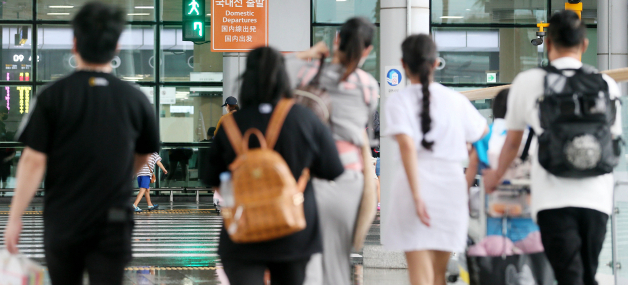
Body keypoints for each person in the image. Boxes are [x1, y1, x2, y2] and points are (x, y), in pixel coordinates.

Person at [4, 2, 160, 285]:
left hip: (64, 219)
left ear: (74, 44)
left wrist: (15, 217)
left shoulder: (52, 96)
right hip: (113, 220)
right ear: (116, 48)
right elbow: (144, 153)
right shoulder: (135, 99)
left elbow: (33, 160)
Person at [483, 10, 622, 285]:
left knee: (569, 276)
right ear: (584, 44)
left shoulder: (529, 82)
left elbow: (512, 142)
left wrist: (495, 176)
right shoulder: (606, 85)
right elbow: (613, 141)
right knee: (586, 275)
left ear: (548, 44)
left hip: (552, 198)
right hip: (597, 197)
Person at [204, 46, 344, 285]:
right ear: (283, 78)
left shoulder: (230, 125)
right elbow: (332, 168)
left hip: (243, 231)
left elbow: (209, 175)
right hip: (294, 233)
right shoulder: (304, 118)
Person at [383, 34, 488, 285]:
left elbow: (407, 147)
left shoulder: (398, 100)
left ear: (403, 64)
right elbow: (484, 137)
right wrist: (466, 176)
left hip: (413, 190)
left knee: (420, 277)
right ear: (435, 63)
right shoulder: (456, 100)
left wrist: (418, 196)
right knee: (439, 276)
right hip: (451, 189)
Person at [286, 17, 379, 285]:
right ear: (367, 51)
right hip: (348, 179)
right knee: (338, 260)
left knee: (309, 261)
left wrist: (309, 54)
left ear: (336, 40)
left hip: (308, 177)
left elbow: (274, 67)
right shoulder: (368, 86)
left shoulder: (308, 74)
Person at [0, 105, 15, 192]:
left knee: (2, 174)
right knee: (2, 174)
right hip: (2, 153)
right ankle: (1, 192)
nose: (6, 114)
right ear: (0, 113)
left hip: (1, 153)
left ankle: (2, 191)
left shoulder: (0, 125)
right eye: (5, 112)